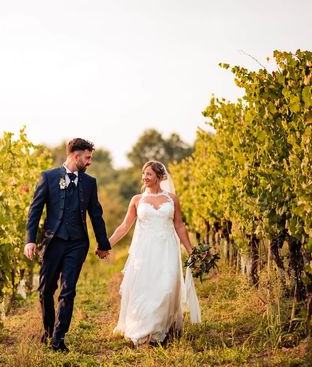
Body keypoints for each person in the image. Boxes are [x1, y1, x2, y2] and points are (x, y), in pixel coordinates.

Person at [24, 138, 111, 352]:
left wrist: (103, 244)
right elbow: (35, 211)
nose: (90, 162)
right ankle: (47, 331)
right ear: (76, 156)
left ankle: (58, 338)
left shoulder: (89, 182)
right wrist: (30, 240)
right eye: (88, 157)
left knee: (68, 291)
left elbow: (96, 214)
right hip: (52, 243)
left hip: (77, 244)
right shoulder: (49, 177)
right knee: (46, 290)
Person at [109, 160, 199, 346]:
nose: (145, 177)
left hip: (167, 249)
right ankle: (145, 332)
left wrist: (191, 250)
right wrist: (107, 244)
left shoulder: (172, 199)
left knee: (166, 288)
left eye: (149, 174)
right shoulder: (137, 200)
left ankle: (161, 329)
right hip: (144, 251)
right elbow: (125, 226)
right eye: (143, 174)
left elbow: (179, 226)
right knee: (145, 289)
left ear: (159, 177)